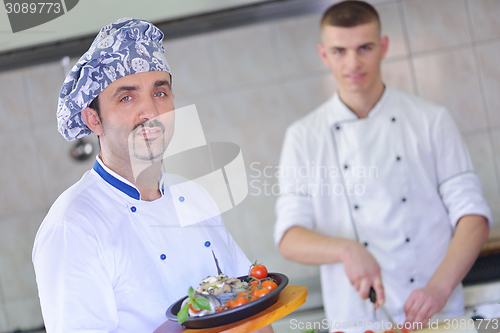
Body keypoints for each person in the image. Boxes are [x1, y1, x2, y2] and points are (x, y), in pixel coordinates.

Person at [32, 18, 273, 333]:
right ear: (94, 119)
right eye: (127, 97)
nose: (151, 112)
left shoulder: (196, 197)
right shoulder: (73, 225)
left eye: (160, 93)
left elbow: (251, 309)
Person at [274, 1, 491, 332]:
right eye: (339, 51)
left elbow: (473, 216)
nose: (353, 63)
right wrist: (347, 250)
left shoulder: (431, 120)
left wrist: (439, 288)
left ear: (384, 46)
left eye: (364, 47)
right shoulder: (303, 137)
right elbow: (289, 236)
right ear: (324, 55)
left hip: (437, 315)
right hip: (355, 320)